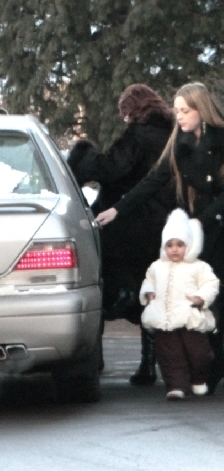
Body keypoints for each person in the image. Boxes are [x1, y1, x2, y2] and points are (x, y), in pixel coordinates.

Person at [96, 82, 224, 395]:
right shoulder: (178, 141)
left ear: (200, 110)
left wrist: (199, 221)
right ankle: (217, 364)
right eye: (176, 110)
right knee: (213, 298)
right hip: (209, 229)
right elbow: (155, 179)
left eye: (184, 110)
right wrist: (118, 209)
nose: (178, 116)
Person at [67, 83, 175, 386]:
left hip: (129, 224)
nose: (124, 118)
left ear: (133, 108)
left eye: (124, 111)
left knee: (114, 284)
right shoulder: (169, 133)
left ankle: (96, 359)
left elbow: (112, 168)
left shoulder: (137, 135)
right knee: (151, 292)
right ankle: (149, 363)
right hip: (162, 225)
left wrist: (83, 155)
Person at [140, 208, 220, 400]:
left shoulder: (199, 267)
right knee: (170, 355)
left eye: (180, 244)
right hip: (164, 318)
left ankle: (199, 379)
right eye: (169, 245)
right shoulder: (157, 266)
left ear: (190, 246)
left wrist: (201, 297)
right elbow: (149, 280)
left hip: (189, 317)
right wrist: (148, 292)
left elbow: (211, 283)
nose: (174, 249)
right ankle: (176, 386)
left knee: (199, 354)